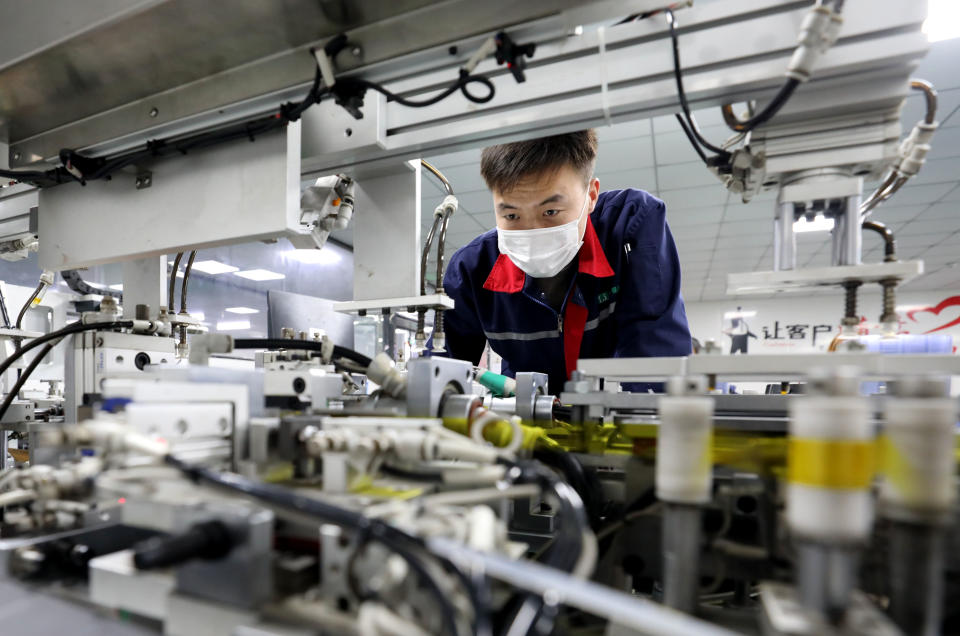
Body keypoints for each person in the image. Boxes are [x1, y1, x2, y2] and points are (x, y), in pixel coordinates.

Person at [438, 130, 691, 393]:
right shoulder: (472, 270)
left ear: (591, 196)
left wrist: (643, 425)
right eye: (512, 216)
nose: (532, 231)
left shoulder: (629, 228)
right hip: (526, 414)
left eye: (550, 212)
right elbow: (444, 373)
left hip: (610, 412)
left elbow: (656, 361)